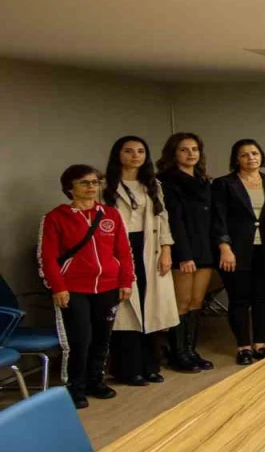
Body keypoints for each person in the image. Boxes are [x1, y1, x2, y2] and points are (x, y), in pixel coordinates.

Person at [39, 166, 133, 409]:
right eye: (84, 182)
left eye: (95, 182)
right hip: (73, 289)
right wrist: (58, 287)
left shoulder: (110, 214)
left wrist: (126, 281)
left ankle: (95, 381)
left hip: (108, 286)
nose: (92, 187)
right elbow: (47, 257)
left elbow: (123, 251)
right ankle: (75, 387)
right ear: (70, 188)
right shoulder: (56, 217)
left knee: (102, 337)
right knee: (80, 340)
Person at [104, 136, 181, 385]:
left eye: (140, 151)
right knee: (126, 311)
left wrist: (167, 250)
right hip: (118, 249)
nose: (135, 155)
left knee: (151, 308)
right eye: (128, 151)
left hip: (150, 248)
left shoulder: (152, 184)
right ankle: (128, 369)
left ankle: (150, 365)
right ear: (118, 155)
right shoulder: (105, 185)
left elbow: (163, 218)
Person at [212, 139, 265, 365]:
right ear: (236, 159)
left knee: (263, 299)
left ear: (261, 156)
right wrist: (224, 247)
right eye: (244, 154)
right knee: (239, 299)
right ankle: (243, 347)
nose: (251, 158)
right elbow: (218, 218)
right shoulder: (224, 184)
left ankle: (260, 344)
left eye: (255, 153)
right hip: (236, 250)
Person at [157, 133, 216, 370]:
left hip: (205, 247)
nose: (191, 153)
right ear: (173, 153)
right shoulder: (166, 182)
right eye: (184, 149)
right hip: (183, 249)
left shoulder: (204, 181)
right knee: (181, 303)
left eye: (194, 149)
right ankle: (177, 353)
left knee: (196, 302)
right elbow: (174, 221)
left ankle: (191, 350)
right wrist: (184, 254)